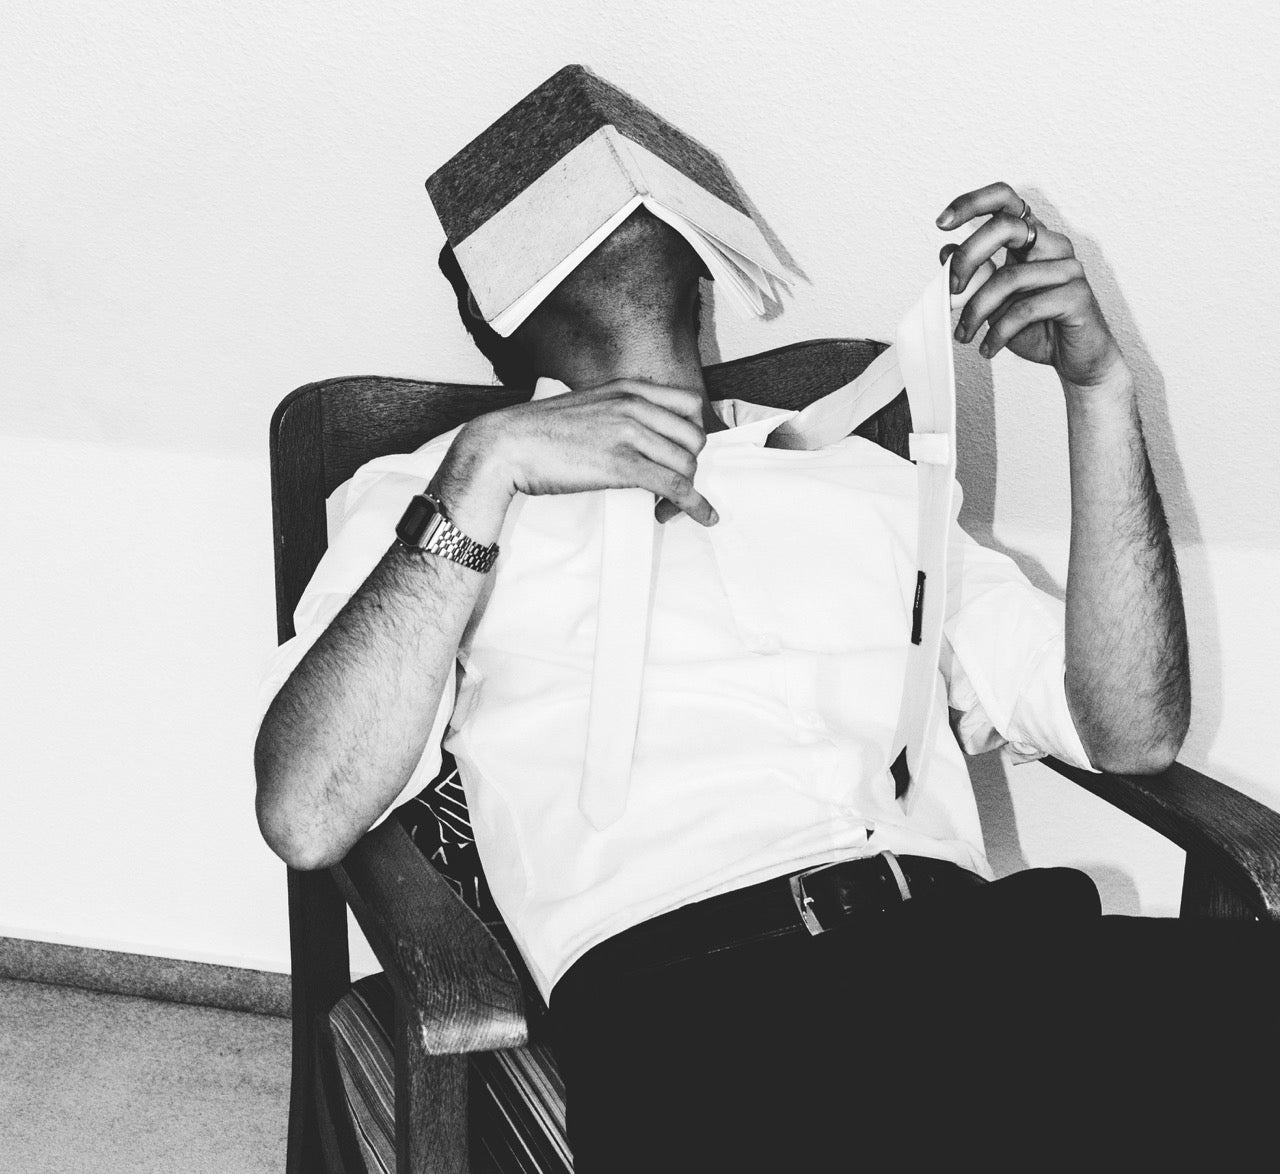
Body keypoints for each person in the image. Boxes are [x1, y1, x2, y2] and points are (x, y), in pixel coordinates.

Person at [255, 187, 1274, 1168]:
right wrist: (481, 473)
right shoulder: (429, 497)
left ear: (701, 248)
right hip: (700, 1015)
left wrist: (1098, 391)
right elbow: (307, 811)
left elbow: (1129, 733)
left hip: (987, 954)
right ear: (494, 301)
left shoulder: (869, 477)